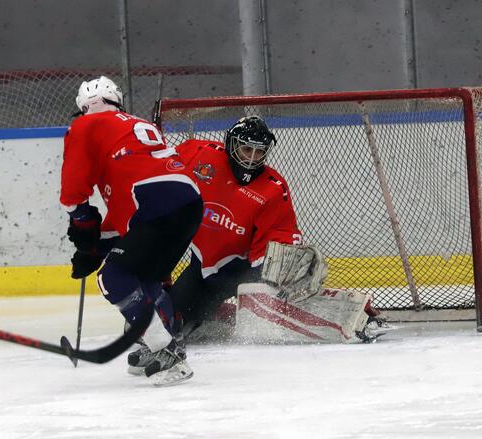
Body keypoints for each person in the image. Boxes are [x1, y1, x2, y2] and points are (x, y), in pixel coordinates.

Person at [126, 116, 304, 373]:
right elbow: (161, 166)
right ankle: (211, 316)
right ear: (231, 145)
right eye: (246, 149)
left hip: (242, 272)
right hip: (203, 266)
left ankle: (215, 312)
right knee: (170, 323)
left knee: (254, 311)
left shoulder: (273, 188)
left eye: (259, 151)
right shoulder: (201, 155)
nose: (252, 158)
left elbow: (279, 234)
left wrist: (273, 279)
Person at [60, 76, 203, 386]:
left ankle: (167, 352)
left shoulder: (85, 126)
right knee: (145, 277)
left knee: (112, 278)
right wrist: (94, 247)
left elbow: (74, 190)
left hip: (155, 205)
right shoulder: (131, 127)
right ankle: (169, 345)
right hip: (186, 202)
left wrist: (82, 223)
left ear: (84, 108)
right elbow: (127, 210)